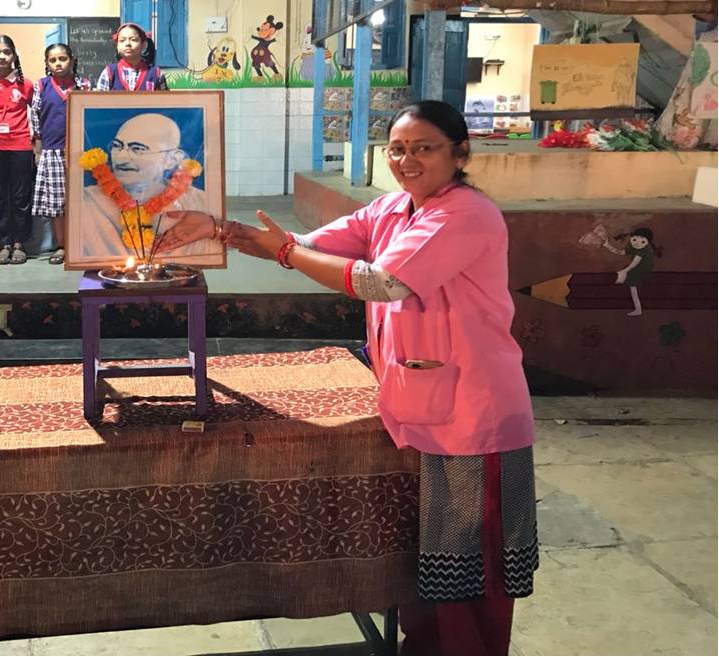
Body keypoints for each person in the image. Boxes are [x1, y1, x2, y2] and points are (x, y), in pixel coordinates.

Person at [156, 100, 538, 656]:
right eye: (398, 149)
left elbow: (381, 282)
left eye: (424, 148)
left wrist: (285, 252)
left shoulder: (465, 214)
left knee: (469, 566)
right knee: (429, 561)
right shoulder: (392, 208)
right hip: (423, 405)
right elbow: (309, 246)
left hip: (476, 418)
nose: (407, 160)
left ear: (459, 154)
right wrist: (220, 229)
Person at [80, 112, 214, 260]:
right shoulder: (85, 201)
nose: (121, 157)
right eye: (117, 146)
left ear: (172, 159)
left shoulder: (199, 202)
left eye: (137, 149)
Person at [0, 34, 39, 265]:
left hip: (21, 147)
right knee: (0, 197)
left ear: (14, 56)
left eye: (7, 52)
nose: (2, 57)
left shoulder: (26, 84)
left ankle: (20, 243)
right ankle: (3, 243)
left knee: (21, 197)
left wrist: (37, 147)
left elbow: (37, 114)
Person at [32, 42, 91, 265]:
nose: (58, 63)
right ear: (47, 63)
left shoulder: (84, 85)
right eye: (53, 60)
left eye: (63, 59)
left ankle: (81, 245)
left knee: (81, 201)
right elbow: (35, 117)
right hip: (52, 151)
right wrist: (38, 149)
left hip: (80, 151)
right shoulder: (41, 86)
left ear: (72, 60)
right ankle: (61, 245)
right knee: (57, 204)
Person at [603, 226, 661, 316]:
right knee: (626, 275)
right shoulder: (632, 246)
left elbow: (635, 263)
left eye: (642, 241)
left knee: (632, 284)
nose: (637, 243)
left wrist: (624, 271)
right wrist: (608, 245)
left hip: (643, 268)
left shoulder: (643, 251)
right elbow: (621, 252)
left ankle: (638, 309)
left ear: (647, 242)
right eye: (634, 240)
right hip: (635, 267)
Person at [95, 23, 170, 92]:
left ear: (143, 45)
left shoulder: (156, 74)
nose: (127, 44)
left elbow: (165, 100)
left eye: (133, 40)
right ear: (118, 46)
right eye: (122, 40)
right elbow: (98, 100)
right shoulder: (109, 72)